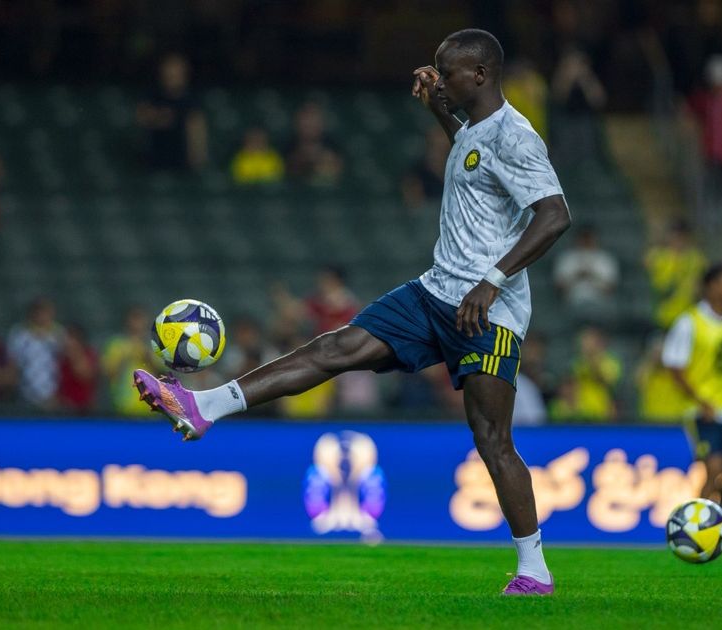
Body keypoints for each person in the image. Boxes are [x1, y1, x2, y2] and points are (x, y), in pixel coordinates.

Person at [133, 29, 571, 596]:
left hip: (488, 312)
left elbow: (554, 215)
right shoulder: (476, 132)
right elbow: (475, 159)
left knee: (492, 438)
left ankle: (534, 569)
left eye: (449, 71)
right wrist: (439, 109)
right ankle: (203, 407)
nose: (439, 77)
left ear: (482, 75)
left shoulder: (518, 136)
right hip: (436, 290)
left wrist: (492, 282)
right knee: (335, 347)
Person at [660, 263, 722, 508]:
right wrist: (700, 401)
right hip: (704, 410)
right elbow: (674, 367)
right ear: (712, 287)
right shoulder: (689, 322)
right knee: (714, 470)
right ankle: (694, 529)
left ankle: (715, 522)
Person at [136, 54, 207, 172]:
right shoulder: (152, 94)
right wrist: (161, 117)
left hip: (181, 162)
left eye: (176, 71)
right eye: (169, 70)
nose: (172, 74)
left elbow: (197, 128)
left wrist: (197, 156)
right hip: (154, 160)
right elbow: (141, 118)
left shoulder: (191, 99)